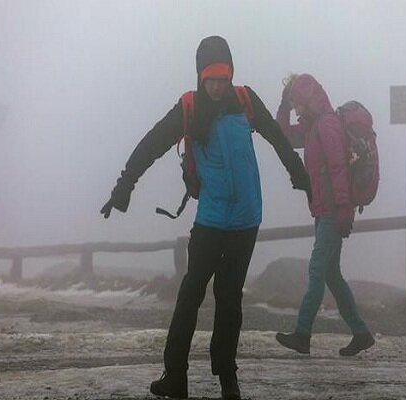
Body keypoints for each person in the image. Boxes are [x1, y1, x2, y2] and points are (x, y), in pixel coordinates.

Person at [100, 36, 310, 400]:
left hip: (246, 219)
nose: (217, 85)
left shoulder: (245, 100)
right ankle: (175, 377)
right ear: (200, 76)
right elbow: (150, 145)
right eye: (210, 78)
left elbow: (277, 138)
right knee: (190, 294)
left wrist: (299, 175)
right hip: (211, 219)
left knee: (229, 299)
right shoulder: (189, 108)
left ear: (231, 75)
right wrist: (124, 186)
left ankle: (228, 379)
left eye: (223, 77)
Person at [274, 73, 375, 357]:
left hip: (333, 210)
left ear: (307, 98)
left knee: (318, 270)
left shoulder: (327, 125)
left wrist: (343, 209)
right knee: (331, 275)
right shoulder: (312, 128)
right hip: (325, 210)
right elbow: (281, 135)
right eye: (291, 102)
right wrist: (282, 104)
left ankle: (302, 334)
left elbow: (338, 168)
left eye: (295, 101)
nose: (294, 108)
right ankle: (361, 333)